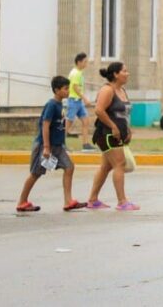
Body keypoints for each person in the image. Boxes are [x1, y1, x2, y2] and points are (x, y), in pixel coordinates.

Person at [17, 75, 87, 212]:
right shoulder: (51, 105)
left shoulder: (61, 104)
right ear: (56, 90)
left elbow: (59, 125)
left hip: (57, 146)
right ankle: (22, 201)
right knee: (36, 173)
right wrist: (46, 147)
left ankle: (68, 201)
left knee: (69, 167)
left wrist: (62, 143)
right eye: (65, 89)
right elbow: (45, 125)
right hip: (45, 145)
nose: (68, 91)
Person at [86, 62, 139, 211]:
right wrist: (113, 126)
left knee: (106, 166)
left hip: (119, 134)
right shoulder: (107, 90)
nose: (127, 74)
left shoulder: (122, 90)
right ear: (116, 74)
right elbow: (99, 110)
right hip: (107, 134)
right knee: (119, 164)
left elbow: (124, 114)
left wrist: (128, 130)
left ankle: (93, 199)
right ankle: (122, 201)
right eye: (124, 71)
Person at [66, 52, 96, 151]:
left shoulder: (79, 72)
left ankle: (85, 144)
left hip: (78, 102)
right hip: (73, 101)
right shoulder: (75, 73)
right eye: (85, 62)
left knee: (86, 121)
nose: (86, 63)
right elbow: (75, 87)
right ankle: (60, 144)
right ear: (79, 62)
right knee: (68, 123)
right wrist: (85, 98)